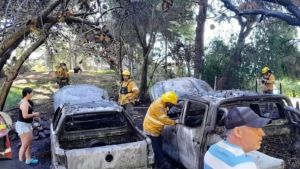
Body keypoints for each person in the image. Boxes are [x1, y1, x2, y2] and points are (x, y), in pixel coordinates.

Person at [204, 106, 271, 169]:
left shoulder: (213, 149)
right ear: (238, 132)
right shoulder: (244, 166)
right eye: (256, 129)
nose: (263, 133)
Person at [143, 91, 179, 169]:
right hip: (151, 129)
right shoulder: (159, 106)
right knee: (157, 148)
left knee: (157, 146)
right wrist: (175, 122)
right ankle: (161, 165)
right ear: (168, 101)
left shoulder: (162, 102)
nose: (172, 105)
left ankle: (158, 162)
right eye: (172, 104)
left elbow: (164, 112)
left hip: (153, 128)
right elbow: (164, 120)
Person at [15, 87, 40, 165]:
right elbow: (25, 115)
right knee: (25, 144)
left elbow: (28, 113)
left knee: (27, 143)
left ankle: (28, 159)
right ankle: (20, 164)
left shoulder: (27, 101)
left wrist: (35, 116)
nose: (33, 94)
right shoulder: (24, 103)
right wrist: (34, 114)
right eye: (32, 93)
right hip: (23, 125)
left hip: (27, 124)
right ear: (27, 94)